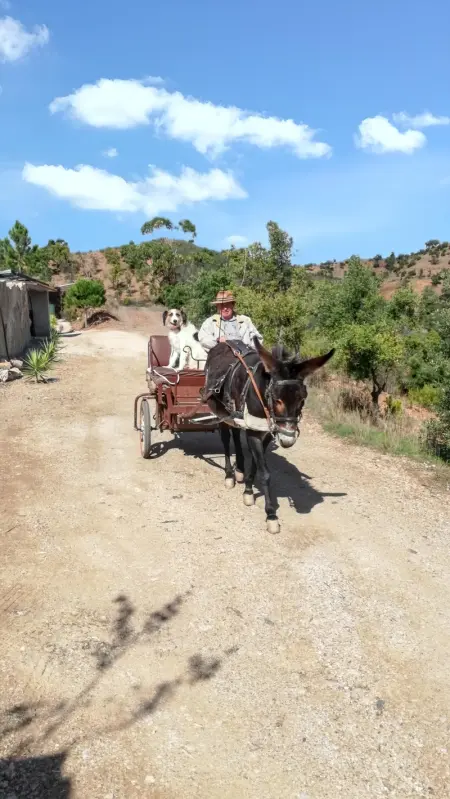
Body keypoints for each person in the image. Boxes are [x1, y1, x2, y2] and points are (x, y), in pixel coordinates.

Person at [198, 290, 263, 352]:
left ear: (232, 305)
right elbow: (203, 339)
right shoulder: (210, 322)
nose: (225, 308)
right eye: (222, 305)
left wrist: (247, 349)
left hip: (245, 357)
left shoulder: (245, 320)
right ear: (217, 306)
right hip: (220, 357)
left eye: (227, 304)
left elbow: (258, 339)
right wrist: (218, 341)